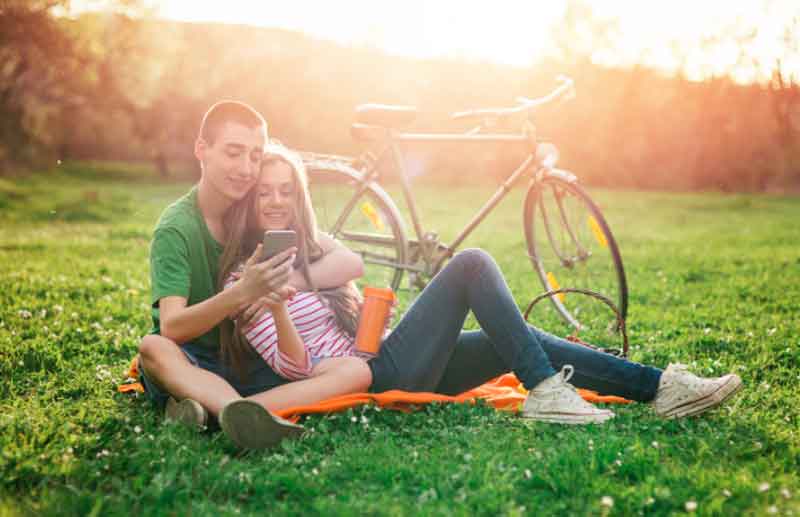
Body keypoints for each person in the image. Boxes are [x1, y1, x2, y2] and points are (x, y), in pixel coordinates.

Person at [208, 144, 742, 436]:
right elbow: (298, 370)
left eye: (286, 191)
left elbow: (346, 265)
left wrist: (297, 274)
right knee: (470, 265)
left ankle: (659, 388)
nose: (276, 202)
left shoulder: (309, 249)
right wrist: (276, 306)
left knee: (515, 340)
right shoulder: (242, 283)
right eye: (264, 195)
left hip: (390, 354)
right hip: (373, 373)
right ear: (248, 205)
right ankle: (546, 392)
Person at [137, 101, 366, 450]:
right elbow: (172, 326)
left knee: (352, 371)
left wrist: (279, 286)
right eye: (233, 153)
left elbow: (350, 263)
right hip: (192, 360)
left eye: (255, 156)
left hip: (250, 362)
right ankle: (238, 415)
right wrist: (244, 292)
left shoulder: (256, 209)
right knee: (152, 347)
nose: (246, 168)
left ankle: (205, 415)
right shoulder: (177, 228)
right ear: (202, 150)